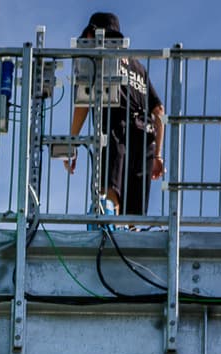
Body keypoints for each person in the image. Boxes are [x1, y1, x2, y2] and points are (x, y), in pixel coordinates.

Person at [65, 13, 164, 218]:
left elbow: (83, 101)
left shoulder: (97, 59)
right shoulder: (138, 67)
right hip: (145, 137)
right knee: (133, 218)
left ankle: (106, 238)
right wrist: (157, 155)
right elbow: (159, 112)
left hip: (114, 130)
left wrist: (71, 144)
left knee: (109, 198)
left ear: (93, 33)